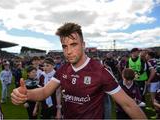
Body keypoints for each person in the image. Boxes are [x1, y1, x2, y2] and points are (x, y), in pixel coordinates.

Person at [11, 22, 147, 119]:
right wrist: (26, 94)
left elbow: (128, 104)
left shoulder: (101, 72)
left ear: (83, 45)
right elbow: (45, 92)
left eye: (74, 45)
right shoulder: (63, 69)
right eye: (64, 46)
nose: (68, 51)